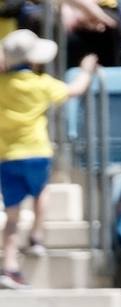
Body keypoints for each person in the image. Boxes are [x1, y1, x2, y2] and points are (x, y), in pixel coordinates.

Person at [0, 32, 97, 290]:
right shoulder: (41, 84)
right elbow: (75, 89)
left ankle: (9, 265)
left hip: (7, 156)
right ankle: (37, 236)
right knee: (41, 192)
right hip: (36, 152)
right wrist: (86, 71)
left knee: (11, 216)